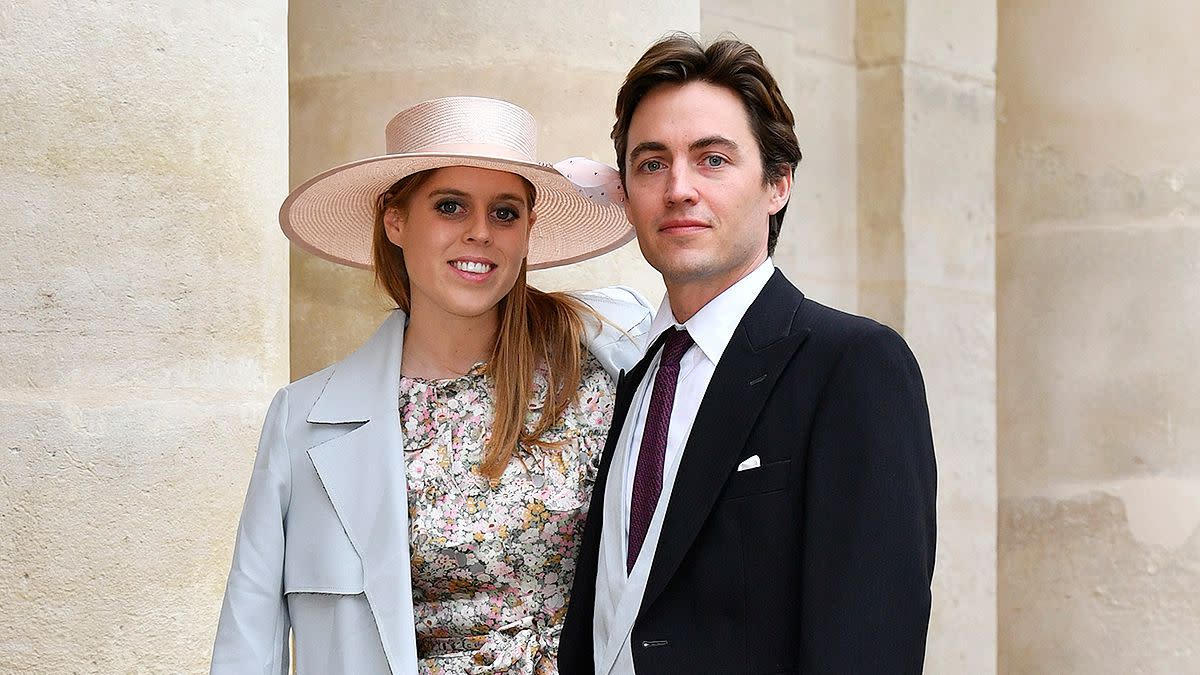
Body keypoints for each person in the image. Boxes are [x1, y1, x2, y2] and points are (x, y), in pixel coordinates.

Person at [211, 96, 653, 674]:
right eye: (450, 206)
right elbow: (249, 642)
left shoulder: (599, 377)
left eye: (505, 212)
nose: (480, 233)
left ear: (527, 231)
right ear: (396, 220)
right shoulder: (302, 419)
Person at [558, 35, 937, 674]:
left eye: (712, 160)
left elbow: (869, 648)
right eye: (651, 163)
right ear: (625, 192)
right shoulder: (629, 376)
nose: (678, 188)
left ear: (777, 185)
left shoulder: (854, 367)